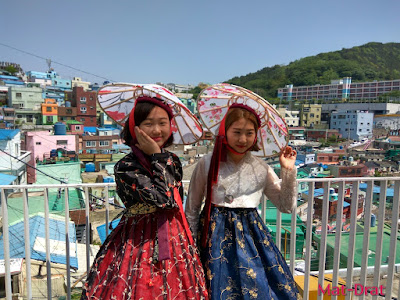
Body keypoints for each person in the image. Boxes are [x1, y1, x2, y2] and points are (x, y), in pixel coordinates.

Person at [82, 96, 208, 299]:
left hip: (175, 238)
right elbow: (163, 200)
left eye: (163, 123)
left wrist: (159, 156)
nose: (157, 130)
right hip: (139, 241)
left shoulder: (172, 160)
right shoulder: (126, 166)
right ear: (135, 128)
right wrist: (157, 156)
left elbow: (176, 200)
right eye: (148, 124)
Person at [185, 103, 299, 299]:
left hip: (251, 237)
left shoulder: (261, 168)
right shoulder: (207, 163)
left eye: (249, 133)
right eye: (237, 132)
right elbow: (192, 208)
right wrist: (190, 246)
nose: (243, 139)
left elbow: (286, 206)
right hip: (213, 237)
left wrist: (287, 170)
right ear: (224, 131)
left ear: (256, 135)